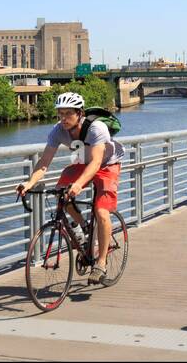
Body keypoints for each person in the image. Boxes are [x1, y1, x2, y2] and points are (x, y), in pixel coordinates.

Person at [16, 91, 125, 284]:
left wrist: (78, 184)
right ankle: (83, 228)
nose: (63, 118)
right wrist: (29, 183)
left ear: (80, 113)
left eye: (68, 113)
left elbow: (96, 162)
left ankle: (101, 262)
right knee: (61, 194)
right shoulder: (57, 131)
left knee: (101, 211)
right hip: (83, 162)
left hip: (107, 165)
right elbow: (44, 162)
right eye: (60, 113)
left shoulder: (96, 128)